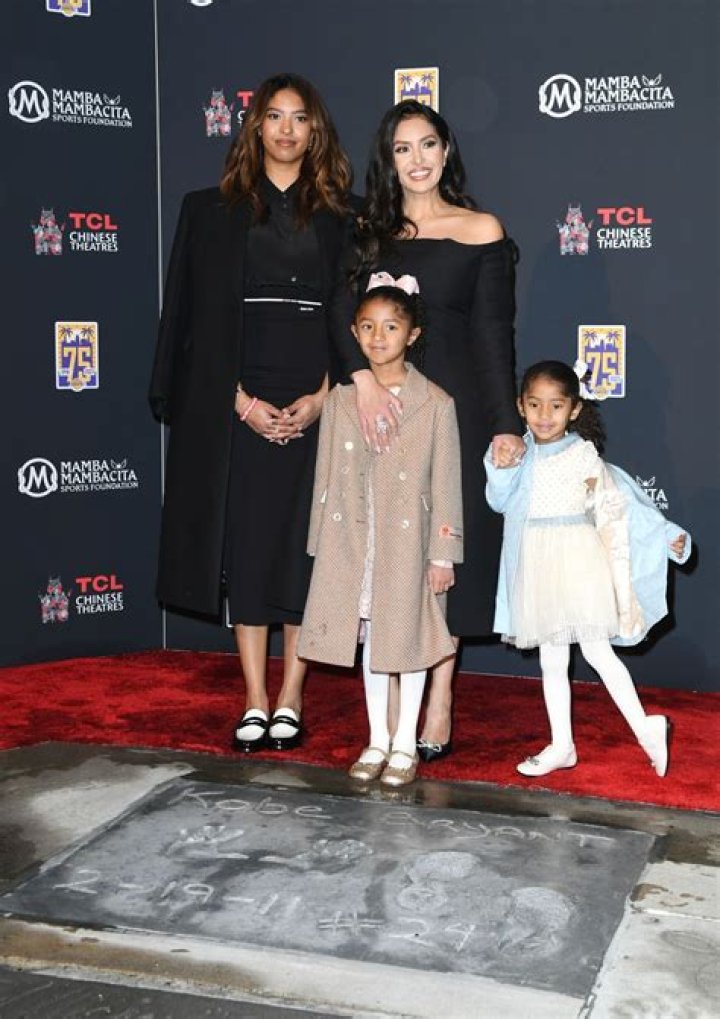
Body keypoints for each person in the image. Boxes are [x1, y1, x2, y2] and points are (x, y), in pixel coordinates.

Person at [149, 73, 353, 753]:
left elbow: (355, 323)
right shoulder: (207, 210)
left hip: (314, 395)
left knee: (302, 551)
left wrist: (325, 397)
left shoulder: (342, 217)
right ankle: (255, 698)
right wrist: (235, 401)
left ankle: (292, 695)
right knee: (248, 547)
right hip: (236, 397)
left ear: (314, 131)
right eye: (275, 116)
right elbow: (186, 319)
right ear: (255, 127)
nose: (287, 129)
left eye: (300, 118)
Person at [330, 100, 524, 761]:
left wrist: (503, 422)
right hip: (375, 412)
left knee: (441, 556)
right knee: (385, 552)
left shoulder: (480, 229)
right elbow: (338, 317)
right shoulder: (366, 234)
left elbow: (494, 334)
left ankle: (440, 692)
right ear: (388, 160)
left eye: (428, 144)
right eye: (402, 148)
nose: (416, 159)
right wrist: (358, 378)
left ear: (447, 152)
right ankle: (387, 705)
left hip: (452, 408)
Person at [485, 360, 691, 777]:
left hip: (578, 563)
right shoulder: (517, 451)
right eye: (536, 405)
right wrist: (500, 466)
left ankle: (645, 727)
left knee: (598, 651)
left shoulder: (583, 455)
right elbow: (499, 501)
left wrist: (666, 533)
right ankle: (562, 744)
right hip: (535, 566)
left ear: (574, 410)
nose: (545, 416)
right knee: (552, 659)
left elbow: (619, 502)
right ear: (520, 407)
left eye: (556, 406)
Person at [299, 280, 463, 786]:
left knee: (408, 641)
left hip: (408, 546)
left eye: (391, 327)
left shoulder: (436, 403)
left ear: (412, 334)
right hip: (354, 543)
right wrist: (319, 545)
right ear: (353, 332)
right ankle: (376, 739)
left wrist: (444, 553)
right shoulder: (343, 398)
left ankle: (405, 744)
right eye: (367, 327)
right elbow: (324, 476)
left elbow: (447, 482)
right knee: (369, 642)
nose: (378, 337)